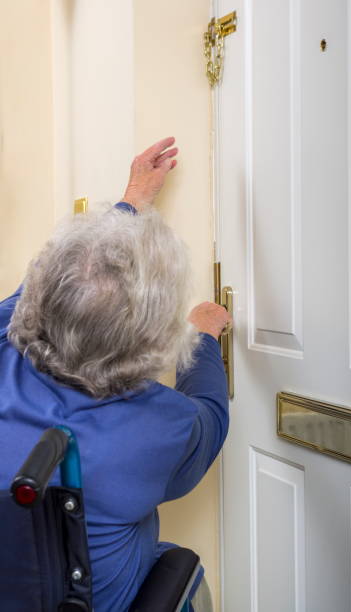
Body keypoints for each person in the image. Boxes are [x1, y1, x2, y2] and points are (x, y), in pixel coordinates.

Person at [0, 137, 230, 611]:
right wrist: (203, 339)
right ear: (150, 335)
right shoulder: (160, 423)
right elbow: (211, 415)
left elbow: (43, 285)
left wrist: (132, 202)